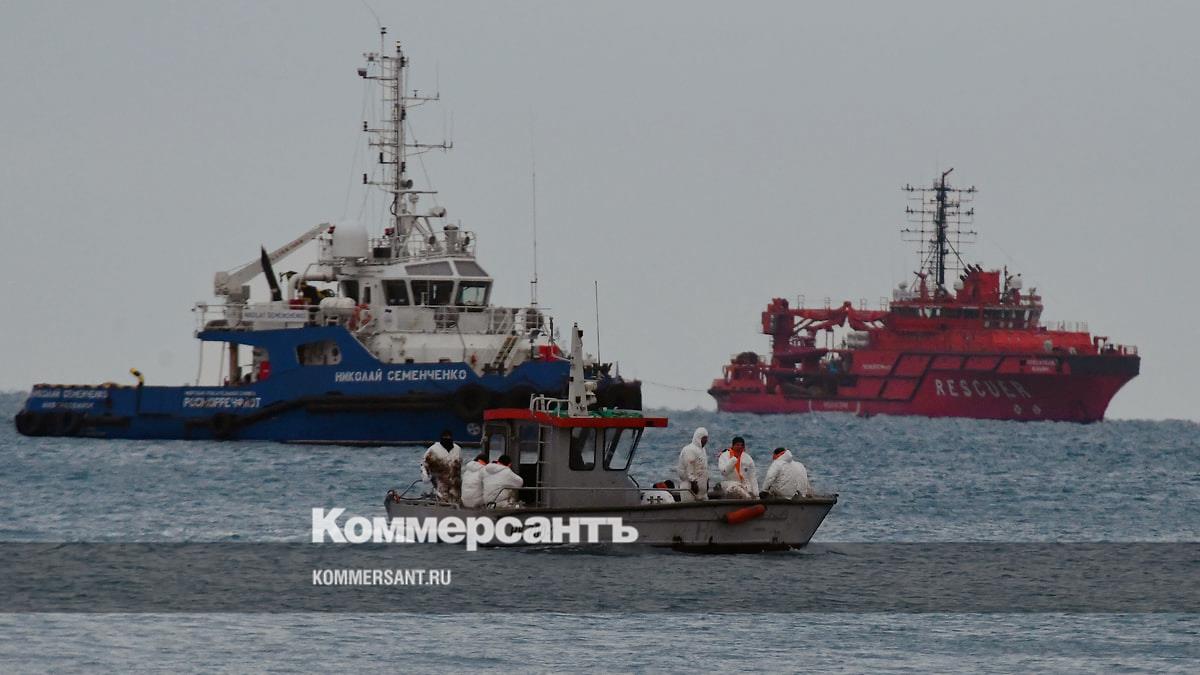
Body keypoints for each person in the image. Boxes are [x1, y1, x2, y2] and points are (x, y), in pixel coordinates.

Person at [421, 429, 463, 503]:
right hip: (439, 485)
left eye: (449, 437)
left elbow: (460, 464)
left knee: (455, 501)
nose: (447, 439)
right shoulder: (433, 450)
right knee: (442, 501)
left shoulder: (457, 449)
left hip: (455, 487)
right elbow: (424, 465)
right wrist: (426, 477)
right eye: (445, 437)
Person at [676, 427, 710, 502]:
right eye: (704, 438)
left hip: (702, 488)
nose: (706, 440)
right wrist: (693, 482)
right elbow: (689, 467)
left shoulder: (703, 450)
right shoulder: (689, 449)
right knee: (688, 507)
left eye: (706, 438)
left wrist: (707, 481)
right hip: (689, 487)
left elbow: (704, 467)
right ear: (698, 438)